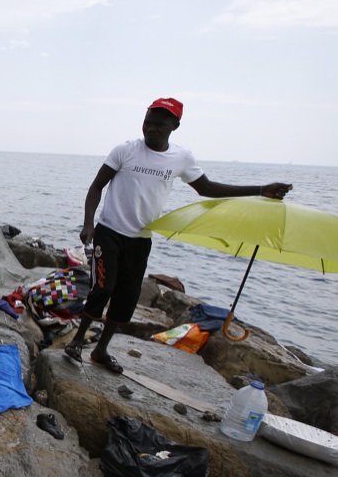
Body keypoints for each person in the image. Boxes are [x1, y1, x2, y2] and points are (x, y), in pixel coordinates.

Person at [64, 97, 292, 373]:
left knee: (127, 296)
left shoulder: (181, 158)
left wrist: (259, 190)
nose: (151, 128)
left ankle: (101, 350)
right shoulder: (125, 150)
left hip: (140, 239)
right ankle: (76, 341)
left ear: (175, 125)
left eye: (159, 124)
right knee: (105, 287)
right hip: (109, 232)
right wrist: (88, 223)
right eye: (148, 122)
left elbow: (207, 188)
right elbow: (97, 186)